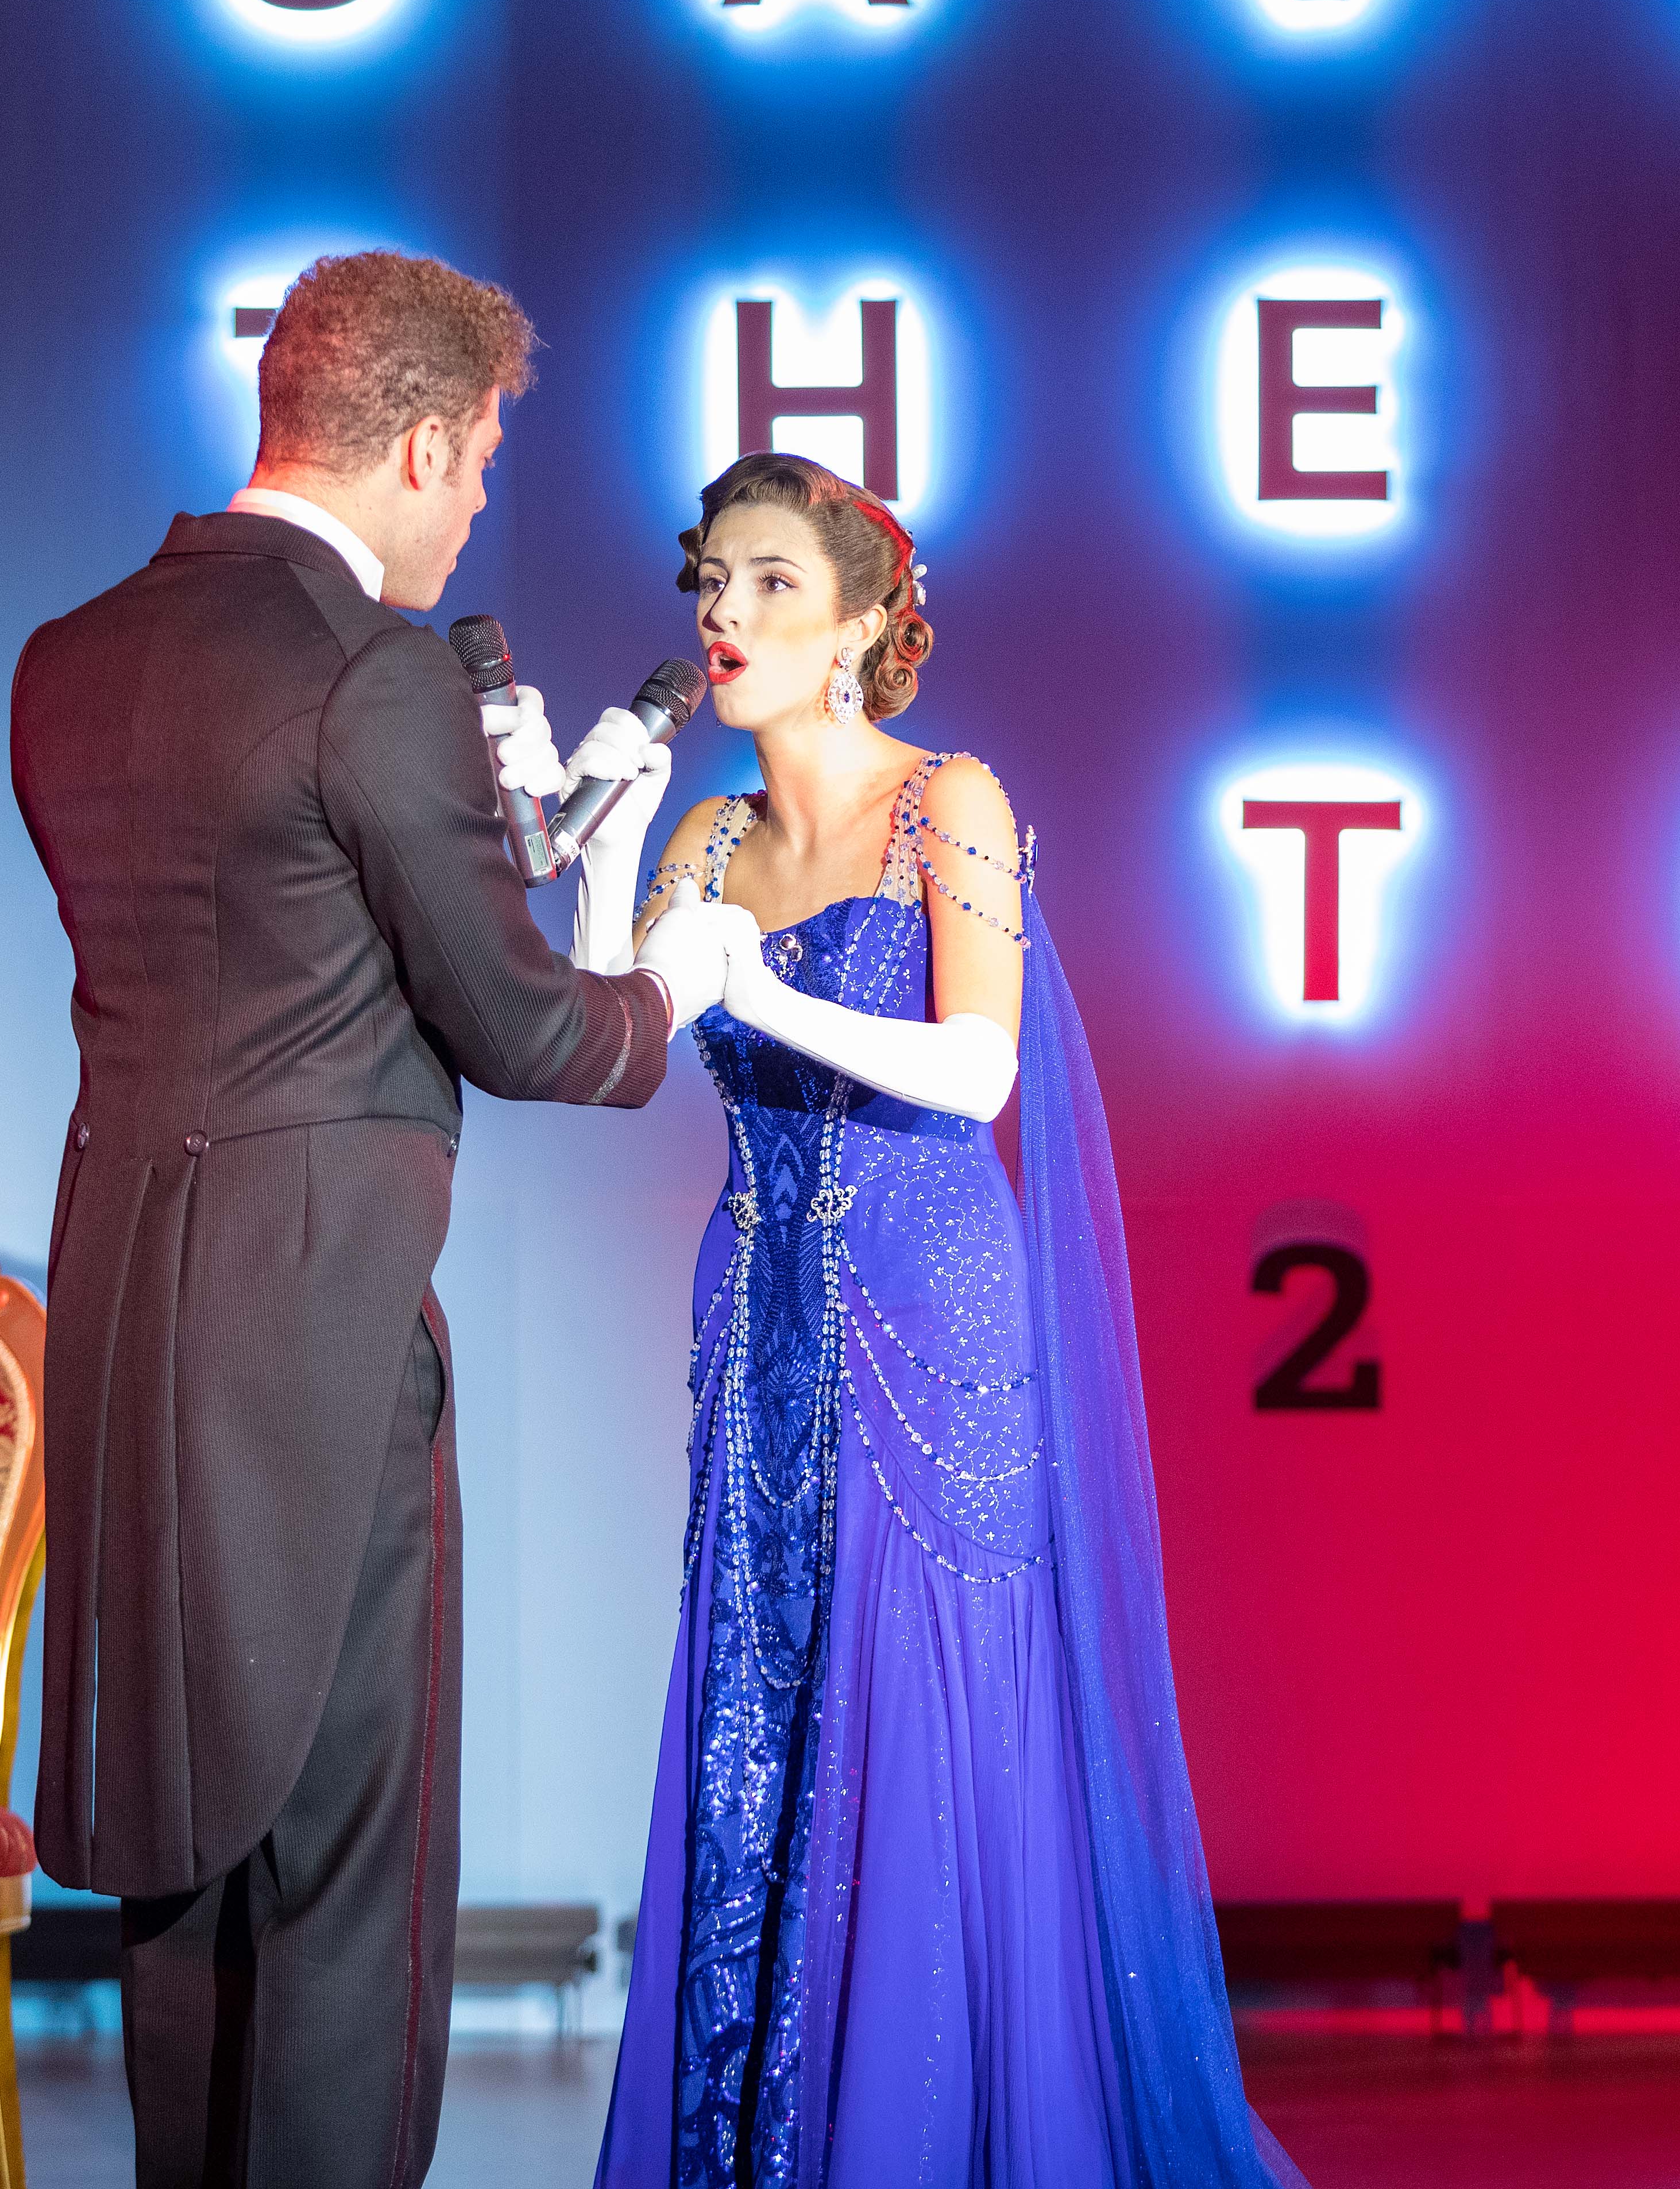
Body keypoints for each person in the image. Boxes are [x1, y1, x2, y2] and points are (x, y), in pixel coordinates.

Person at [10, 250, 735, 2188]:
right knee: (348, 1879)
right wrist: (673, 980)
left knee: (182, 1855)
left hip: (125, 1315)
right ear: (420, 444)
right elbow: (524, 1026)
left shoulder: (70, 654)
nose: (480, 499)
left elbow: (269, 950)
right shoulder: (374, 672)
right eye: (483, 459)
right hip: (320, 1327)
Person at [557, 452, 1310, 2186]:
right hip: (762, 1323)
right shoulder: (711, 836)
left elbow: (978, 1072)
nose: (724, 613)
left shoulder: (947, 799)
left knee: (925, 1722)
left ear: (859, 628)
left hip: (932, 1325)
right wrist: (606, 851)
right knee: (763, 1699)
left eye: (770, 583)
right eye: (711, 578)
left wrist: (759, 993)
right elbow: (613, 1044)